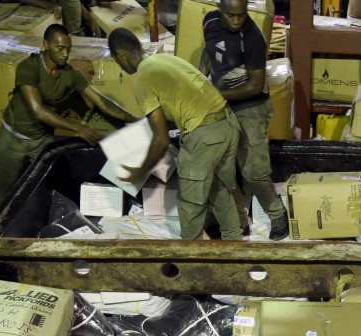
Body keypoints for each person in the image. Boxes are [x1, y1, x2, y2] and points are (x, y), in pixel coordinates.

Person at [0, 24, 136, 217]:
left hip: (42, 139)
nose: (65, 54)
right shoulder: (29, 67)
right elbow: (37, 110)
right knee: (0, 188)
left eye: (68, 49)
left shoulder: (70, 75)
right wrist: (78, 128)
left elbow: (101, 102)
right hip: (14, 138)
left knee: (51, 183)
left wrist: (135, 118)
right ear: (45, 45)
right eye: (60, 48)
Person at [107, 27, 243, 241]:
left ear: (119, 55)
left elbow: (161, 139)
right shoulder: (165, 60)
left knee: (190, 205)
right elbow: (179, 104)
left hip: (205, 134)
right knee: (219, 190)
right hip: (227, 124)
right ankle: (236, 249)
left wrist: (139, 171)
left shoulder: (143, 79)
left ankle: (192, 264)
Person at [201, 0, 289, 241]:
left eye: (242, 15)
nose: (237, 21)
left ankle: (277, 214)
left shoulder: (252, 38)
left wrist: (214, 96)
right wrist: (200, 79)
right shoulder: (209, 21)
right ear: (221, 11)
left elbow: (254, 85)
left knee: (253, 170)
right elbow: (208, 51)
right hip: (222, 105)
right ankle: (238, 222)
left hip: (251, 107)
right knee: (224, 166)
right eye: (231, 15)